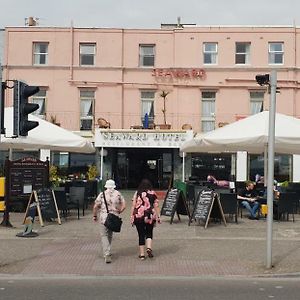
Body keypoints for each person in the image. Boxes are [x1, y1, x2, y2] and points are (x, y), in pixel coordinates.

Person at [93, 179, 126, 263]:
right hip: (113, 217)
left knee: (104, 235)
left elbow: (95, 206)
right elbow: (124, 205)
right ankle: (108, 251)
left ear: (106, 186)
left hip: (104, 217)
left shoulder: (102, 194)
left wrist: (94, 215)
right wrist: (120, 211)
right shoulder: (118, 194)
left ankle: (106, 253)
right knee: (110, 235)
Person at [130, 179, 161, 260]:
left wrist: (132, 216)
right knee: (149, 232)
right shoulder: (153, 193)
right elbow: (156, 205)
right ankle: (149, 248)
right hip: (150, 215)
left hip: (139, 215)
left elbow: (133, 205)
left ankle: (142, 254)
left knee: (141, 234)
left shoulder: (137, 193)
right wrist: (158, 216)